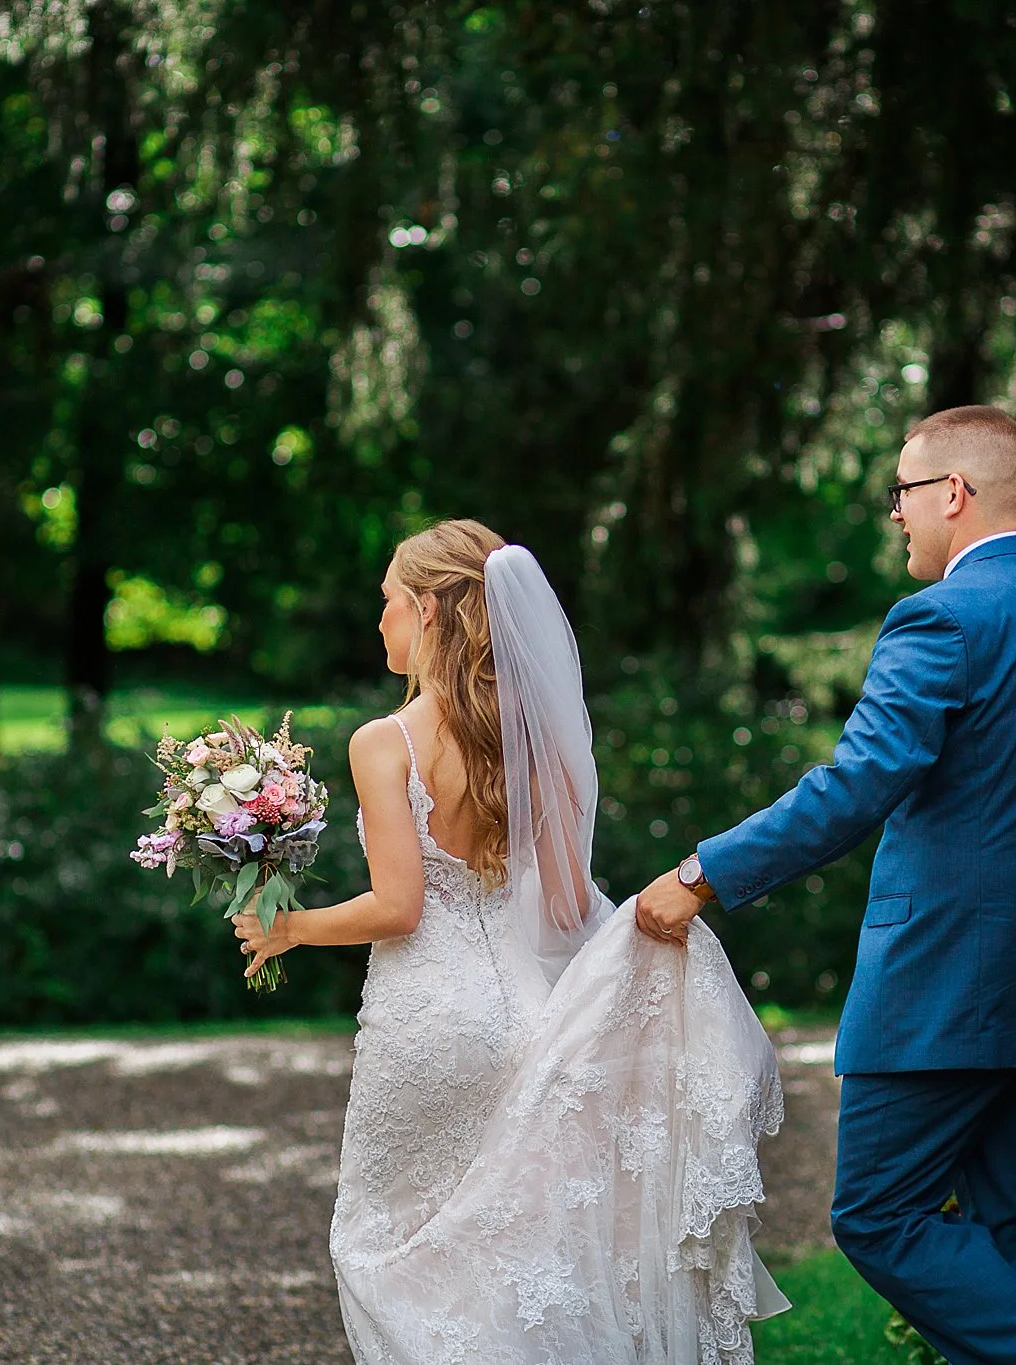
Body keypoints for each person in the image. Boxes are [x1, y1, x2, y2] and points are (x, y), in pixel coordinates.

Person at [637, 404, 1016, 1365]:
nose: (895, 515)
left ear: (953, 492)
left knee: (877, 1213)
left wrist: (704, 872)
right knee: (1006, 1248)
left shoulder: (940, 617)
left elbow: (855, 783)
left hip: (942, 990)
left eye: (902, 492)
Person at [233, 518, 788, 1364]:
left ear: (426, 609)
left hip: (426, 1026)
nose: (377, 621)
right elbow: (569, 902)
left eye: (387, 602)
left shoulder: (384, 742)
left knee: (384, 1251)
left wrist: (291, 928)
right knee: (522, 1256)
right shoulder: (531, 737)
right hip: (533, 1021)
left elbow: (399, 907)